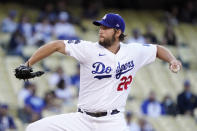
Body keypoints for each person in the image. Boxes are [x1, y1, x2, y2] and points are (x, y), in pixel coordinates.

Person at [23, 13, 181, 131]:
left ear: (117, 32)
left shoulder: (134, 51)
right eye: (100, 27)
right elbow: (56, 45)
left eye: (106, 28)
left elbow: (158, 49)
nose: (101, 30)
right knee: (33, 129)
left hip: (112, 122)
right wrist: (28, 63)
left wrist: (172, 60)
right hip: (82, 119)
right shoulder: (88, 49)